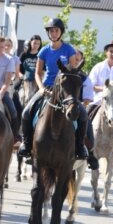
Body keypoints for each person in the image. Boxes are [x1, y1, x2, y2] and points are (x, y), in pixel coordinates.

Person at [16, 18, 89, 163]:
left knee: (83, 115)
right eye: (51, 31)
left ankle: (80, 147)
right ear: (48, 33)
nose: (54, 33)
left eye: (56, 30)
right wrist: (41, 88)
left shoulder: (68, 49)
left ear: (61, 32)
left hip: (64, 89)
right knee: (26, 112)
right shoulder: (43, 51)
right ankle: (27, 144)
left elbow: (72, 71)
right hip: (47, 87)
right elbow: (37, 73)